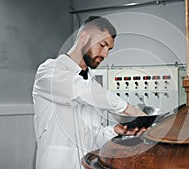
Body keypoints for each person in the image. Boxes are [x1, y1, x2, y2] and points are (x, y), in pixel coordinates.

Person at [32, 16, 146, 169]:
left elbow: (93, 137)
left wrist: (114, 131)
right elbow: (79, 90)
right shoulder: (48, 71)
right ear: (84, 37)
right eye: (102, 45)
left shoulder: (92, 84)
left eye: (109, 49)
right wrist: (127, 109)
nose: (106, 55)